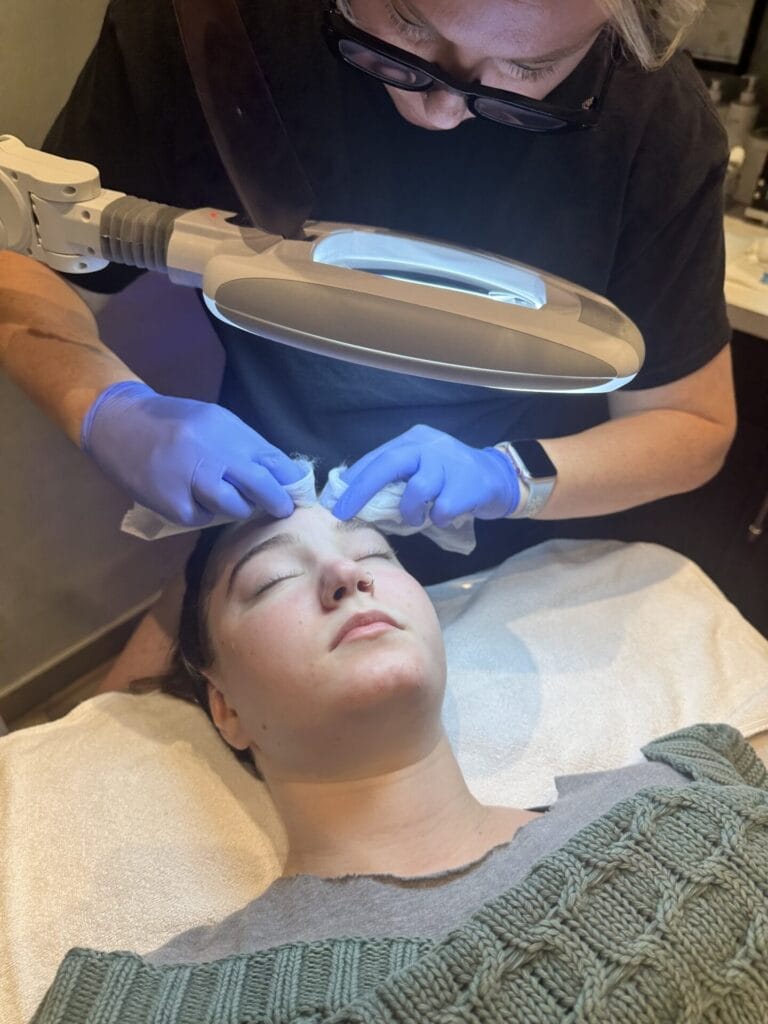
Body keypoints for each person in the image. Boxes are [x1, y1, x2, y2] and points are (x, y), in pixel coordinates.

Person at [0, 0, 737, 683]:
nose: (442, 111)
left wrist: (508, 479)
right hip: (260, 514)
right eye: (412, 25)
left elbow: (693, 424)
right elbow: (26, 259)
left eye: (528, 71)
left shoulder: (654, 125)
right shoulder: (210, 28)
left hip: (512, 552)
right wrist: (105, 408)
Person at [31, 504, 768, 1023]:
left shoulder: (686, 778)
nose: (346, 577)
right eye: (271, 579)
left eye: (375, 554)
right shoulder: (157, 1005)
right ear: (223, 708)